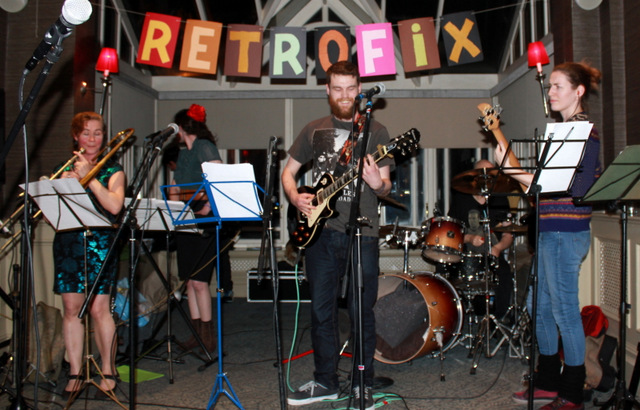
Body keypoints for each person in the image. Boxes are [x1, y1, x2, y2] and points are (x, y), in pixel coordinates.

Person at [281, 61, 392, 409]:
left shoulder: (376, 131)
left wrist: (377, 183)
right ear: (327, 91)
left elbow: (386, 186)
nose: (345, 95)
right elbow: (288, 173)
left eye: (350, 88)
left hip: (363, 233)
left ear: (359, 90)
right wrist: (294, 197)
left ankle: (362, 384)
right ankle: (325, 381)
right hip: (321, 233)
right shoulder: (313, 129)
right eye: (338, 88)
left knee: (362, 312)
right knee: (321, 311)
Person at [495, 61, 602, 410]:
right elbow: (541, 191)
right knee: (537, 307)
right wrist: (519, 175)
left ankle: (571, 393)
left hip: (565, 233)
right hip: (549, 231)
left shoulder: (583, 132)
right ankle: (547, 381)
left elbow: (574, 188)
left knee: (564, 311)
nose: (551, 92)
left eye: (558, 86)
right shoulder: (561, 132)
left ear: (578, 91)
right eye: (550, 85)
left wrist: (511, 169)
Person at [53, 111, 125, 398]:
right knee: (71, 309)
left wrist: (89, 178)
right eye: (86, 133)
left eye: (98, 133)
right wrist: (63, 185)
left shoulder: (113, 170)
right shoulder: (62, 168)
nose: (93, 139)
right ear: (76, 136)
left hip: (100, 244)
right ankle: (75, 372)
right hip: (68, 243)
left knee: (98, 309)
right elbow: (51, 214)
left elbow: (115, 206)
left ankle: (108, 370)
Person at [168, 104, 233, 354]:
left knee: (199, 282)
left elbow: (219, 181)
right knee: (189, 280)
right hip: (185, 216)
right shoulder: (184, 154)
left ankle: (207, 336)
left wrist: (207, 206)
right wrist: (173, 209)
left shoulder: (205, 146)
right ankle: (196, 333)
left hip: (204, 217)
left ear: (181, 127)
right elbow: (175, 186)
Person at [447, 159, 514, 320]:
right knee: (447, 271)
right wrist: (469, 238)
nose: (486, 178)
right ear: (474, 177)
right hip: (466, 256)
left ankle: (499, 320)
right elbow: (451, 233)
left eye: (490, 175)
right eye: (482, 174)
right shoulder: (461, 199)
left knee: (504, 274)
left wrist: (498, 248)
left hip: (493, 256)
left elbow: (508, 234)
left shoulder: (500, 199)